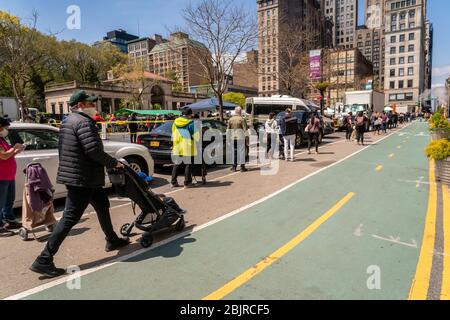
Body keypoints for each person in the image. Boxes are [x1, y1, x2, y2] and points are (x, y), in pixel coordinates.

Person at [31, 90, 129, 278]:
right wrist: (113, 163)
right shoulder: (84, 122)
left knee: (102, 204)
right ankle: (44, 259)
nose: (94, 106)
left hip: (82, 176)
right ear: (81, 105)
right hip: (83, 178)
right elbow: (92, 150)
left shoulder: (68, 121)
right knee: (70, 218)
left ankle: (112, 239)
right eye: (90, 103)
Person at [0, 117, 24, 236]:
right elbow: (3, 156)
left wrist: (16, 150)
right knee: (0, 202)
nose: (5, 130)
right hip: (1, 176)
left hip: (8, 175)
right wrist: (14, 148)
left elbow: (8, 153)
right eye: (4, 127)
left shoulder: (2, 139)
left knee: (9, 200)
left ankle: (9, 219)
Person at [171, 107, 200, 188]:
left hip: (177, 146)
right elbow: (196, 136)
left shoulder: (175, 122)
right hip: (188, 146)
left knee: (177, 164)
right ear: (189, 115)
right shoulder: (190, 123)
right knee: (188, 164)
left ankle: (173, 182)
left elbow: (173, 134)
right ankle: (187, 183)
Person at [227, 107, 249, 172]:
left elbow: (228, 130)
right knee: (242, 152)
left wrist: (228, 139)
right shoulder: (242, 119)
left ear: (235, 112)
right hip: (241, 138)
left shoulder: (230, 119)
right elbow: (245, 130)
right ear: (240, 112)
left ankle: (234, 167)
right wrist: (247, 139)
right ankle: (242, 167)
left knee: (234, 152)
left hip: (233, 138)